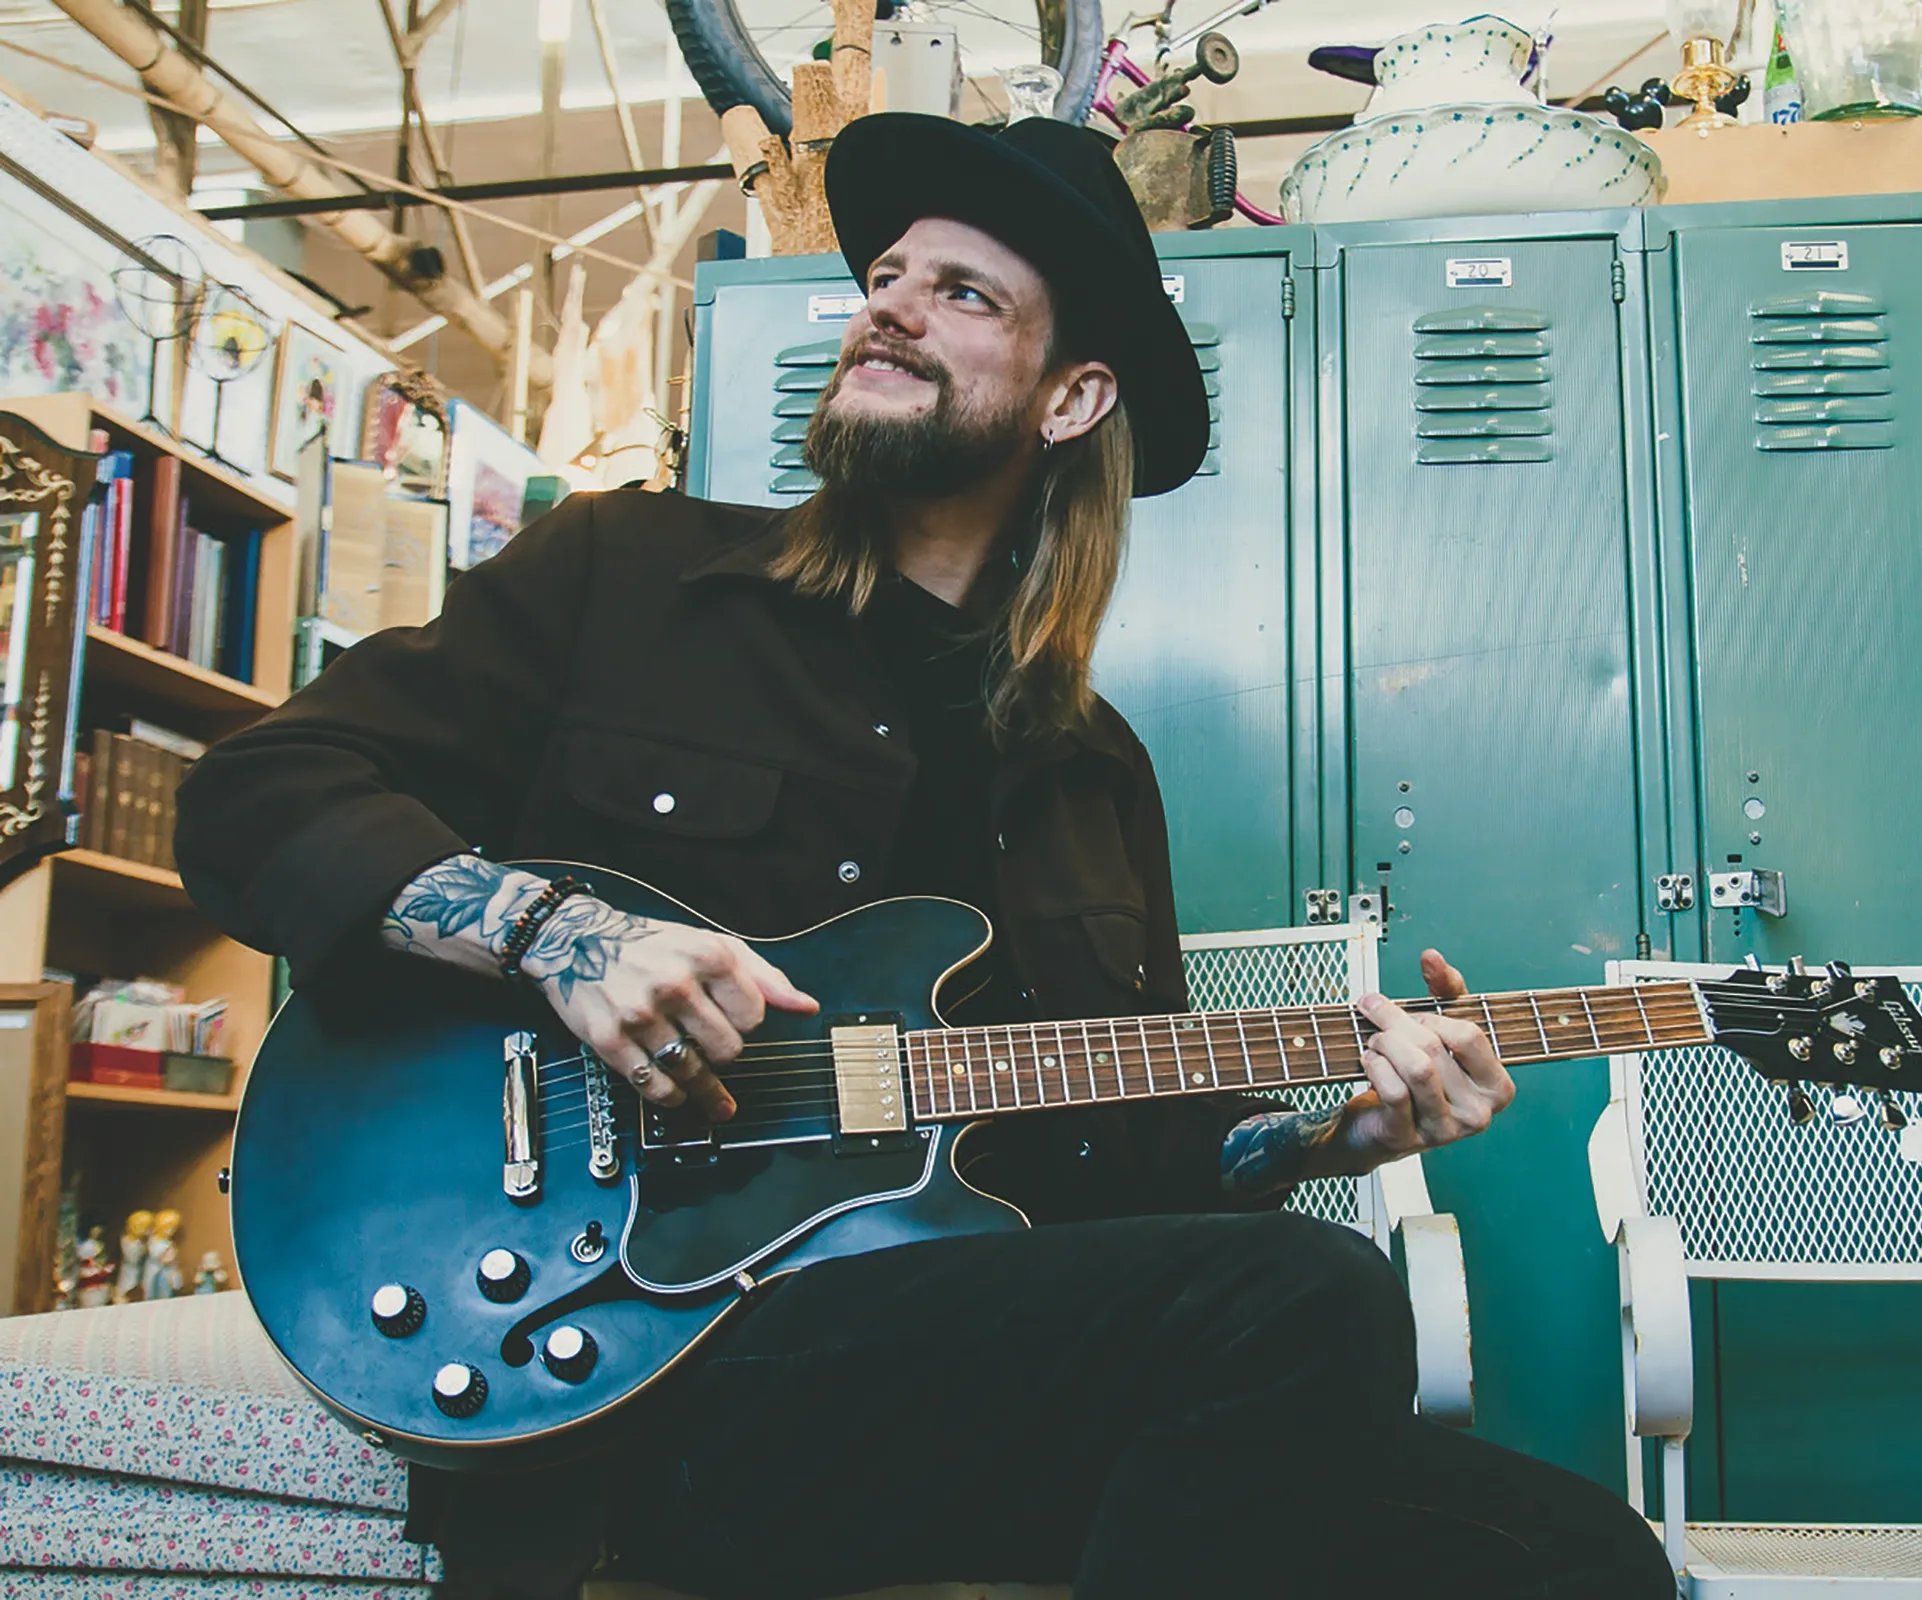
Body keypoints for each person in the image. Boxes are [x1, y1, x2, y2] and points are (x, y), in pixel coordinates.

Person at [175, 114, 1673, 1600]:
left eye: (963, 292)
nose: (886, 301)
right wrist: (566, 937)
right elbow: (258, 795)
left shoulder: (1093, 773)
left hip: (956, 1383)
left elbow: (1141, 1190)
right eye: (887, 273)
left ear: (1072, 394)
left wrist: (1337, 1143)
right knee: (1309, 1298)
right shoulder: (627, 579)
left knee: (1574, 1561)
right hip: (651, 1358)